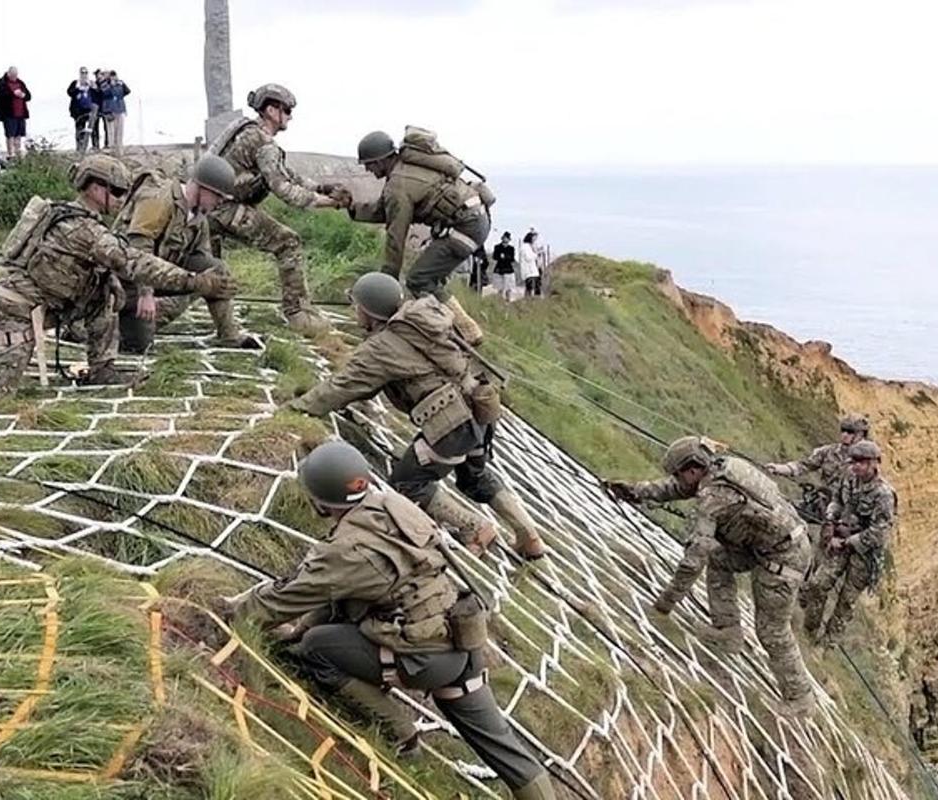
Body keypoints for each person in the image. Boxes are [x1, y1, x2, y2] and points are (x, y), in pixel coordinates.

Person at [222, 440, 557, 800]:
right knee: (504, 748)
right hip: (462, 639)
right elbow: (344, 595)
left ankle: (399, 729)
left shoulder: (347, 551)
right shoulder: (392, 504)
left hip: (422, 657)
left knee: (316, 647)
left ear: (320, 500)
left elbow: (281, 600)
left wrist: (227, 613)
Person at [0, 155, 236, 405]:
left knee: (106, 288)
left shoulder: (81, 220)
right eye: (115, 192)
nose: (120, 200)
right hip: (15, 313)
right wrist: (194, 282)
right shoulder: (82, 229)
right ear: (96, 189)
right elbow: (135, 261)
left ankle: (102, 368)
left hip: (50, 307)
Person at [291, 272, 546, 560]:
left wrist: (297, 407)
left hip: (450, 427)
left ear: (370, 311)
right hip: (481, 409)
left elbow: (341, 387)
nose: (354, 311)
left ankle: (474, 527)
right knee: (475, 476)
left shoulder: (381, 347)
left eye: (357, 306)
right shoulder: (423, 320)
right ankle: (530, 536)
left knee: (407, 484)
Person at [605, 436, 816, 716]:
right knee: (720, 560)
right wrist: (636, 491)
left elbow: (694, 561)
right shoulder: (724, 468)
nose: (678, 480)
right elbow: (676, 489)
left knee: (772, 629)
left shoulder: (713, 498)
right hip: (765, 545)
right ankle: (728, 630)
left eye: (680, 473)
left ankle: (800, 699)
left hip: (783, 559)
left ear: (693, 469)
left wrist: (664, 605)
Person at [207, 83, 339, 334]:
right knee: (288, 242)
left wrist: (322, 187)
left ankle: (221, 329)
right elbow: (284, 189)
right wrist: (326, 203)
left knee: (208, 271)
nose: (290, 116)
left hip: (208, 208)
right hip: (226, 209)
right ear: (270, 110)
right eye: (286, 110)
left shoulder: (246, 131)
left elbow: (288, 174)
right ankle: (298, 312)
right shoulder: (264, 143)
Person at [348, 129, 490, 345]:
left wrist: (387, 284)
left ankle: (466, 331)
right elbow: (383, 211)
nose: (368, 169)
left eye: (369, 164)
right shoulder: (404, 171)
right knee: (429, 277)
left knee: (419, 280)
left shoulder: (398, 185)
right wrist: (349, 207)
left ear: (381, 160)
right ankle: (447, 328)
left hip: (465, 228)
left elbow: (396, 237)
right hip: (474, 220)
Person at [112, 154, 260, 352]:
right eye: (218, 197)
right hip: (124, 282)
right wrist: (146, 293)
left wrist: (217, 285)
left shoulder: (199, 218)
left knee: (216, 271)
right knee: (138, 345)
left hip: (159, 276)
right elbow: (139, 247)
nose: (219, 203)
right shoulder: (159, 198)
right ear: (203, 189)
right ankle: (92, 326)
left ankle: (229, 335)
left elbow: (204, 262)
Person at [800, 441, 897, 646]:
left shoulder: (884, 494)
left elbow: (880, 531)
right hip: (841, 540)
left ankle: (828, 643)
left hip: (864, 552)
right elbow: (837, 501)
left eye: (861, 462)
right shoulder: (849, 479)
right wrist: (831, 519)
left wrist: (848, 541)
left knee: (846, 601)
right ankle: (809, 632)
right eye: (854, 462)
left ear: (873, 463)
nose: (856, 466)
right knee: (818, 584)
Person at [766, 414, 870, 526]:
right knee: (784, 513)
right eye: (843, 430)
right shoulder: (829, 452)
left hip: (845, 517)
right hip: (821, 505)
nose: (844, 435)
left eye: (850, 432)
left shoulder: (866, 464)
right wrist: (778, 468)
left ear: (860, 435)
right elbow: (804, 465)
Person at [0, 67, 31, 159]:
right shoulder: (1, 83)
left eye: (16, 75)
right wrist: (13, 94)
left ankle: (18, 151)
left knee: (19, 134)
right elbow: (0, 94)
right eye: (13, 75)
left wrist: (23, 95)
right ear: (8, 74)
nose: (15, 77)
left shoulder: (20, 83)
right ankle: (11, 153)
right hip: (9, 113)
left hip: (21, 113)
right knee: (10, 134)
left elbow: (29, 96)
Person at [98, 70, 130, 155]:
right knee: (111, 132)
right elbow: (106, 93)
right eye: (110, 74)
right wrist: (110, 84)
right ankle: (112, 150)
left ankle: (119, 151)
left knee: (119, 132)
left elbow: (127, 91)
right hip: (109, 110)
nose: (112, 76)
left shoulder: (119, 83)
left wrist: (120, 83)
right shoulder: (104, 84)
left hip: (120, 109)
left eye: (113, 75)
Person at [67, 67, 97, 154]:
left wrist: (93, 87)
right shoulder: (75, 83)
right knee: (79, 129)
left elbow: (97, 93)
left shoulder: (91, 83)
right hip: (78, 110)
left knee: (92, 129)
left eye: (85, 73)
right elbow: (69, 92)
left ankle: (94, 146)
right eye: (82, 73)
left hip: (90, 110)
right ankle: (79, 147)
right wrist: (77, 88)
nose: (84, 75)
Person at [491, 232, 516, 300]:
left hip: (508, 269)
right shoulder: (497, 247)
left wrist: (506, 257)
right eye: (505, 238)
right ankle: (500, 299)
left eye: (507, 238)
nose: (506, 239)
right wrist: (500, 257)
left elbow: (512, 259)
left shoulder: (511, 248)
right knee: (500, 287)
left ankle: (508, 299)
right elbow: (494, 257)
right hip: (499, 268)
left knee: (509, 287)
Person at [519, 231, 541, 298]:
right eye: (534, 238)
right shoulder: (525, 247)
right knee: (530, 287)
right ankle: (529, 299)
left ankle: (531, 299)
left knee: (534, 286)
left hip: (533, 270)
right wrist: (536, 255)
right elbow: (528, 257)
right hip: (529, 271)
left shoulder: (530, 247)